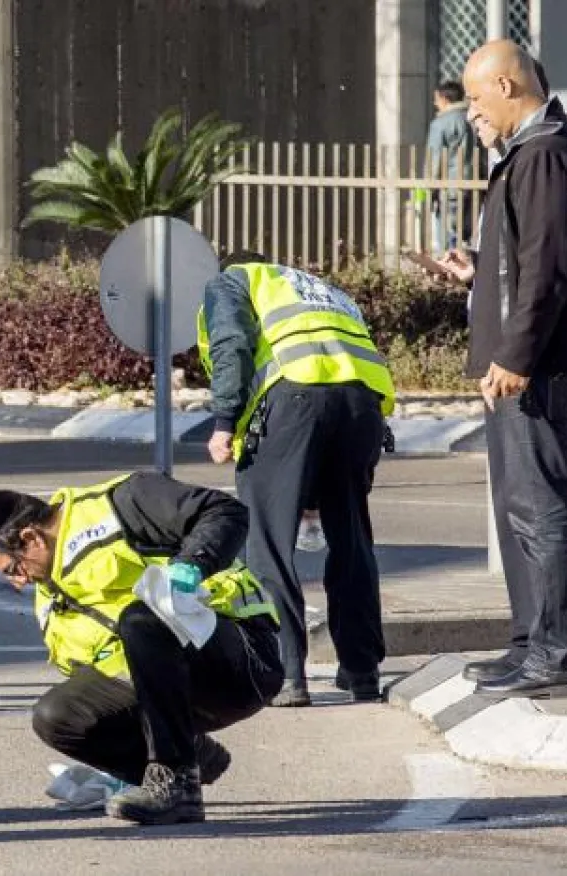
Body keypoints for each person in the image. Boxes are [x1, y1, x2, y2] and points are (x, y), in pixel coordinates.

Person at [435, 41, 567, 699]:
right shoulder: (564, 148)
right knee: (566, 503)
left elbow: (549, 269)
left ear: (508, 86)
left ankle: (553, 654)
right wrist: (481, 274)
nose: (475, 112)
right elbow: (536, 261)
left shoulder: (541, 155)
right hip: (566, 360)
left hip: (542, 370)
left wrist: (514, 355)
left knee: (537, 507)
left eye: (479, 99)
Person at [0, 473, 282, 825]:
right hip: (171, 694)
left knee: (141, 618)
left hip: (239, 656)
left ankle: (174, 781)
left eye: (14, 568)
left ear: (31, 538)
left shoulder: (120, 504)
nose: (18, 582)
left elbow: (226, 511)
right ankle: (185, 757)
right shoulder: (49, 600)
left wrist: (191, 565)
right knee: (56, 716)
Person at [198, 252, 395, 707]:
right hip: (362, 407)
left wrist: (225, 421)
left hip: (291, 402)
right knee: (352, 540)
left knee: (267, 542)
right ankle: (362, 670)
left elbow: (232, 343)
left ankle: (285, 672)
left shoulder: (233, 280)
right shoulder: (324, 291)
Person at [424, 80, 477, 255]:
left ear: (444, 99)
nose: (435, 104)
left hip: (450, 187)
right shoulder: (473, 120)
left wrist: (430, 190)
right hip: (475, 185)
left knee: (447, 238)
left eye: (436, 99)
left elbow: (435, 159)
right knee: (469, 238)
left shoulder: (441, 123)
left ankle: (449, 273)